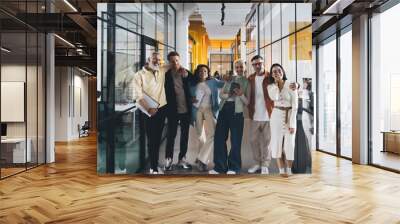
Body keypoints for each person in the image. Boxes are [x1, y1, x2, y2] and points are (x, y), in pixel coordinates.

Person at [210, 59, 249, 174]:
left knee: (235, 140)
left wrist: (241, 95)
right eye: (237, 67)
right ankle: (219, 167)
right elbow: (221, 95)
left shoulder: (247, 82)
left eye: (241, 67)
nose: (239, 69)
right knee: (219, 138)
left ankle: (234, 167)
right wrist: (229, 95)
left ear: (245, 68)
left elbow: (247, 102)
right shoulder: (230, 79)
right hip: (224, 109)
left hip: (237, 112)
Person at [132, 52, 168, 174]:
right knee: (151, 140)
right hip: (148, 111)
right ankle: (153, 167)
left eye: (159, 60)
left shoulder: (161, 71)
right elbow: (138, 96)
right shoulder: (139, 75)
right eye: (154, 60)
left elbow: (174, 65)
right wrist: (148, 109)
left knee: (157, 139)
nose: (157, 62)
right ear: (148, 60)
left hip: (162, 109)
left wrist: (183, 70)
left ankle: (155, 164)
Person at [191, 64, 224, 172]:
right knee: (200, 136)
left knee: (213, 134)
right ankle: (202, 163)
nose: (203, 73)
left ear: (208, 72)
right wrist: (191, 99)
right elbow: (188, 94)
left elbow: (223, 84)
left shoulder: (213, 82)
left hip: (209, 109)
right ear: (197, 73)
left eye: (205, 71)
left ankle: (201, 158)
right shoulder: (193, 84)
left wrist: (232, 80)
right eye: (200, 71)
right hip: (197, 110)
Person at [164, 51, 193, 171]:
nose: (175, 63)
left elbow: (198, 79)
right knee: (171, 135)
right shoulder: (166, 75)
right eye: (172, 61)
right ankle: (168, 160)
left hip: (186, 110)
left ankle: (182, 159)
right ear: (169, 63)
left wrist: (187, 76)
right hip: (172, 111)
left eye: (177, 60)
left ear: (179, 60)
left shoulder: (185, 72)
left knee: (185, 136)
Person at [267, 63, 298, 177]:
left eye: (279, 70)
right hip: (276, 116)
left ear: (283, 72)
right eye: (274, 71)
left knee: (290, 144)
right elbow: (274, 97)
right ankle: (281, 170)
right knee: (276, 143)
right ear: (271, 74)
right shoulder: (270, 87)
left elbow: (295, 106)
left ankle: (289, 169)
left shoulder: (291, 85)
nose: (277, 73)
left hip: (289, 115)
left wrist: (293, 124)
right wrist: (276, 84)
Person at [246, 55, 274, 174]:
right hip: (255, 115)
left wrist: (297, 86)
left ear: (264, 63)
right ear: (252, 66)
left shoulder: (270, 77)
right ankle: (257, 163)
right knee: (253, 140)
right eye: (255, 64)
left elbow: (283, 82)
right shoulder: (250, 78)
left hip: (269, 115)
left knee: (267, 142)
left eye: (260, 63)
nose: (258, 66)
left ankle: (265, 165)